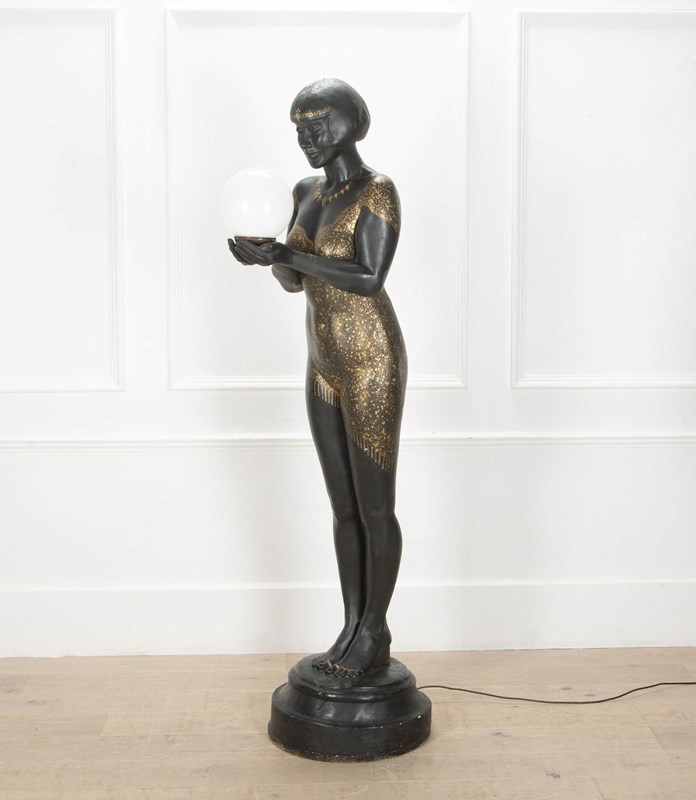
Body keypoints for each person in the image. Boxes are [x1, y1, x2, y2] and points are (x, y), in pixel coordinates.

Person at [229, 78, 407, 679]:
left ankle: (375, 630)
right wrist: (266, 254)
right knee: (342, 506)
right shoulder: (305, 193)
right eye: (299, 128)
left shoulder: (376, 190)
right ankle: (351, 624)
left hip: (372, 359)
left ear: (351, 123)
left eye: (318, 124)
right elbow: (295, 281)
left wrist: (289, 255)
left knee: (375, 507)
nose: (307, 137)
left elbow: (368, 277)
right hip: (322, 360)